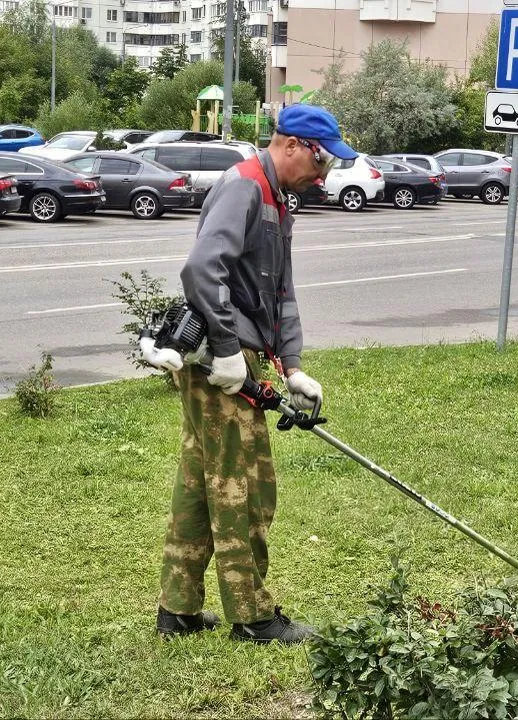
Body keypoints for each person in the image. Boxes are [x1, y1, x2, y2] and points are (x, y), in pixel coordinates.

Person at [146, 105, 356, 644]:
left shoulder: (278, 200)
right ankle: (254, 617)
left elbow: (280, 294)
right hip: (221, 361)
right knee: (244, 486)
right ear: (292, 145)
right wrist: (224, 350)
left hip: (242, 355)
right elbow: (200, 269)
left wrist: (293, 366)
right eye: (322, 160)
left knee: (200, 481)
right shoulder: (243, 187)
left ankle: (179, 609)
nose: (325, 174)